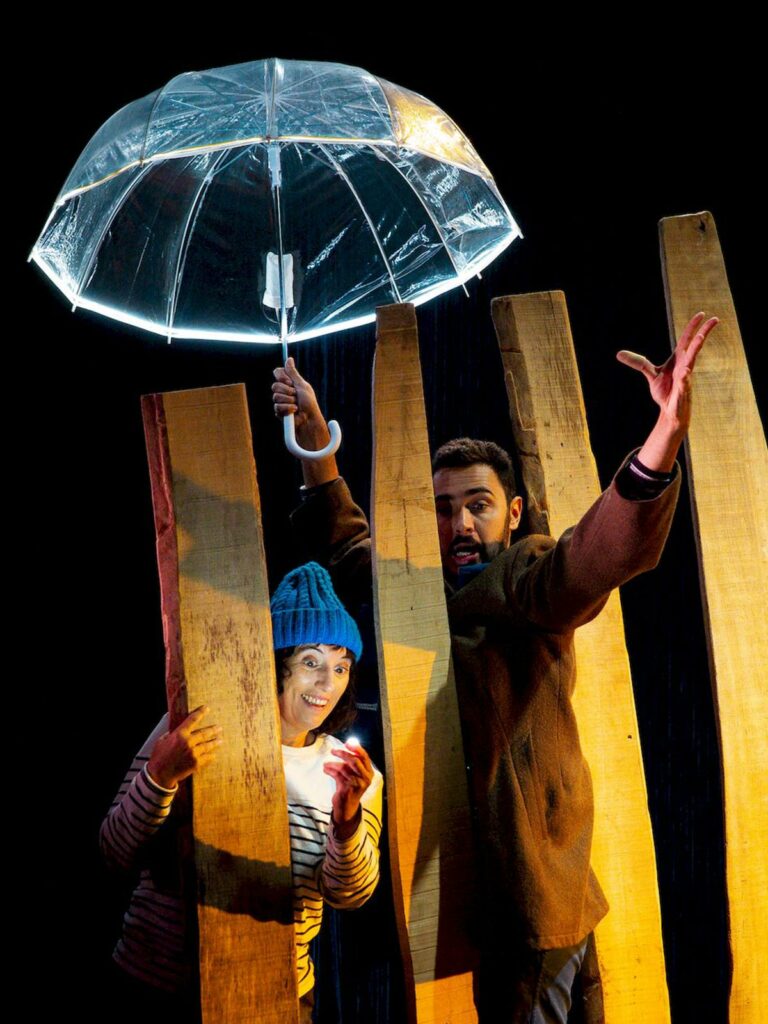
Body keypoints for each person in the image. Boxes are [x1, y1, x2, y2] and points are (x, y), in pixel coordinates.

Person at [271, 311, 718, 1023]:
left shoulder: (526, 578)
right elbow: (349, 541)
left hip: (531, 894)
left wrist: (662, 438)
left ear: (512, 514)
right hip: (453, 894)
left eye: (477, 506)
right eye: (443, 509)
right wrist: (316, 437)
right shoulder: (414, 594)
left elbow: (591, 558)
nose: (460, 525)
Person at [100, 561, 383, 1023]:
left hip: (276, 994)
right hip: (154, 985)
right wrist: (160, 776)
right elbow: (113, 852)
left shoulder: (348, 772)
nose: (327, 684)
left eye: (341, 667)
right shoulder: (194, 731)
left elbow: (349, 895)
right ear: (274, 662)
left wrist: (347, 820)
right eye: (310, 662)